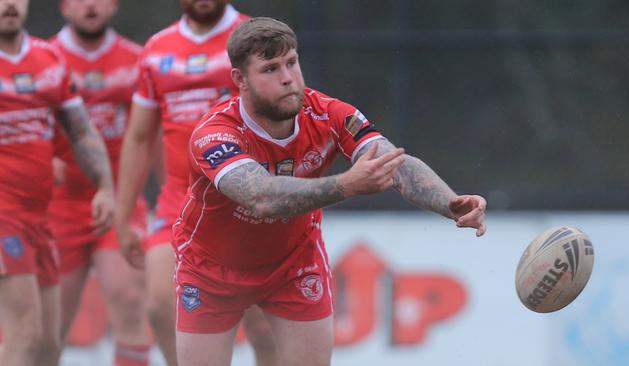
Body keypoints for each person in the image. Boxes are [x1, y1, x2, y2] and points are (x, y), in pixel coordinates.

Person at [173, 17, 487, 366]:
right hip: (211, 269)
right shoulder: (214, 134)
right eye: (270, 68)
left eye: (292, 62)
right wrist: (346, 185)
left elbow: (394, 163)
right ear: (239, 80)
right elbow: (260, 197)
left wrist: (450, 202)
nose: (288, 78)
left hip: (292, 264)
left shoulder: (329, 114)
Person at [115, 1, 278, 365]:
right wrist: (123, 215)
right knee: (160, 305)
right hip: (180, 200)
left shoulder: (255, 35)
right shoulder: (157, 49)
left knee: (263, 326)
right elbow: (140, 137)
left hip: (243, 201)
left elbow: (286, 113)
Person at [0, 0, 115, 364]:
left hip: (38, 216)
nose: (9, 5)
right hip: (3, 216)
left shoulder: (49, 58)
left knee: (49, 344)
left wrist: (106, 186)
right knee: (24, 333)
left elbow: (81, 131)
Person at [48, 0, 152, 365]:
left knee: (130, 302)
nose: (89, 5)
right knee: (49, 326)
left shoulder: (138, 60)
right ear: (63, 7)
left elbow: (150, 136)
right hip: (57, 207)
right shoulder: (45, 60)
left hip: (121, 203)